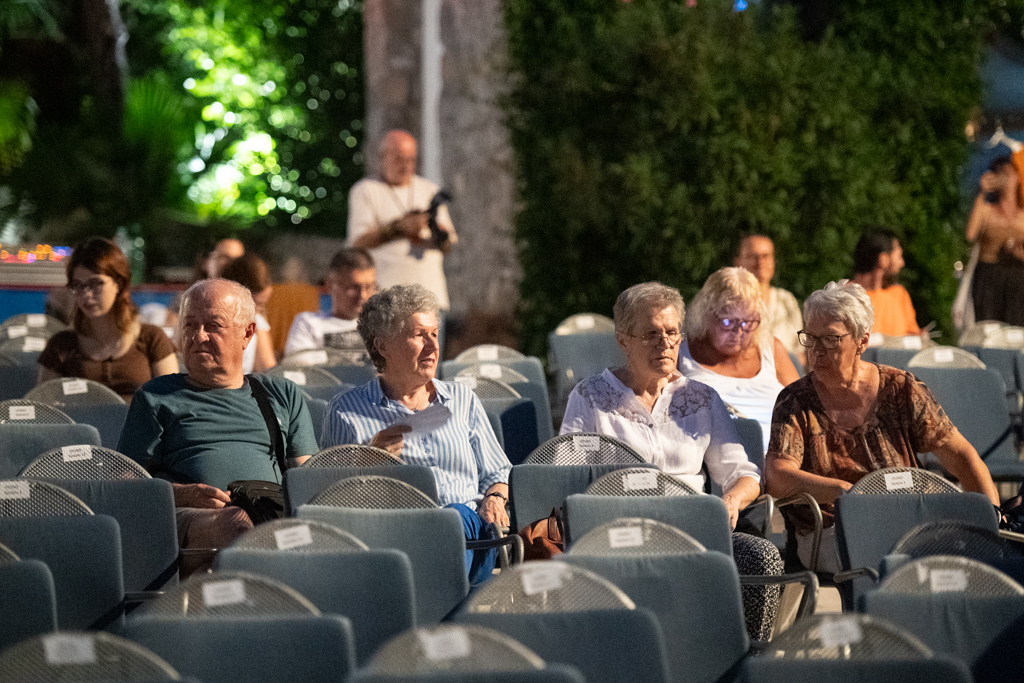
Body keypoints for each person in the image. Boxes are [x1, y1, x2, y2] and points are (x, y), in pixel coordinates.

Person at [560, 281, 782, 641]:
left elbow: (743, 473)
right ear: (623, 340)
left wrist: (732, 500)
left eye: (672, 332)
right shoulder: (590, 397)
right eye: (650, 334)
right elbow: (566, 478)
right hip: (620, 534)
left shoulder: (701, 399)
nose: (664, 343)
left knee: (762, 557)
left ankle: (744, 661)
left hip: (693, 532)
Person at [765, 281, 1000, 573]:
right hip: (831, 531)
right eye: (810, 338)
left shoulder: (901, 389)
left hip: (908, 520)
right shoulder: (795, 401)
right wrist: (842, 492)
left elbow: (962, 456)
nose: (817, 351)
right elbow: (777, 476)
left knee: (963, 554)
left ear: (862, 341)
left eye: (830, 339)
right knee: (895, 556)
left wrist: (993, 521)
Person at [118, 279, 317, 564]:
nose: (198, 336)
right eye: (189, 325)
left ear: (247, 334)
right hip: (190, 519)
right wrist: (183, 495)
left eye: (213, 325)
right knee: (236, 524)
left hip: (269, 514)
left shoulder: (281, 394)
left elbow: (307, 479)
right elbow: (127, 484)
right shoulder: (157, 396)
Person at [321, 284, 509, 584]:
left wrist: (495, 499)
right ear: (383, 346)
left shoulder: (462, 400)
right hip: (397, 539)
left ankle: (428, 606)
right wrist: (367, 459)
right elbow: (329, 502)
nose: (433, 346)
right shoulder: (346, 411)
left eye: (434, 333)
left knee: (456, 516)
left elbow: (497, 470)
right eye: (419, 335)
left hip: (472, 538)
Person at [38, 237, 178, 401]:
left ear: (118, 283)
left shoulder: (152, 338)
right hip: (79, 424)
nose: (86, 294)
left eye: (95, 283)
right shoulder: (61, 345)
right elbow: (42, 409)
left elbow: (173, 403)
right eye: (78, 285)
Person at [678, 267, 800, 451]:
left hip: (782, 458)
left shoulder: (771, 349)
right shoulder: (680, 351)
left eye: (748, 322)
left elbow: (806, 408)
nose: (738, 332)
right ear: (706, 313)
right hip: (718, 460)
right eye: (728, 322)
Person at [346, 130, 456, 313]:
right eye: (399, 159)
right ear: (382, 157)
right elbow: (357, 244)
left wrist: (437, 233)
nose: (406, 166)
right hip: (386, 299)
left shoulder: (429, 190)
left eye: (411, 159)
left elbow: (448, 244)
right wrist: (397, 228)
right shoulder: (366, 190)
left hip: (429, 299)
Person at [284, 247, 377, 363]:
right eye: (353, 287)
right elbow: (295, 366)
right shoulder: (308, 323)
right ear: (330, 285)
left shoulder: (383, 326)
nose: (362, 295)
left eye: (369, 287)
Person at [965, 154, 1024, 326]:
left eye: (1009, 173)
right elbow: (970, 234)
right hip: (988, 277)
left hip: (1017, 277)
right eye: (999, 173)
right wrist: (981, 192)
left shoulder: (1022, 215)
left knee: (1017, 330)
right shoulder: (986, 209)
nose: (1005, 179)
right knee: (988, 328)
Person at [734, 234, 803, 362]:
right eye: (752, 257)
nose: (760, 262)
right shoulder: (728, 303)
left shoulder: (786, 300)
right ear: (737, 262)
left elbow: (800, 351)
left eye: (766, 256)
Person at [851, 230, 920, 338]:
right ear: (883, 260)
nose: (902, 263)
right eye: (899, 256)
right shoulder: (847, 297)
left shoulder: (899, 294)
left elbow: (913, 338)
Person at [221, 253, 276, 373]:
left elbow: (268, 371)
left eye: (262, 304)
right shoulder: (201, 318)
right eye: (256, 303)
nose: (258, 310)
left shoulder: (257, 322)